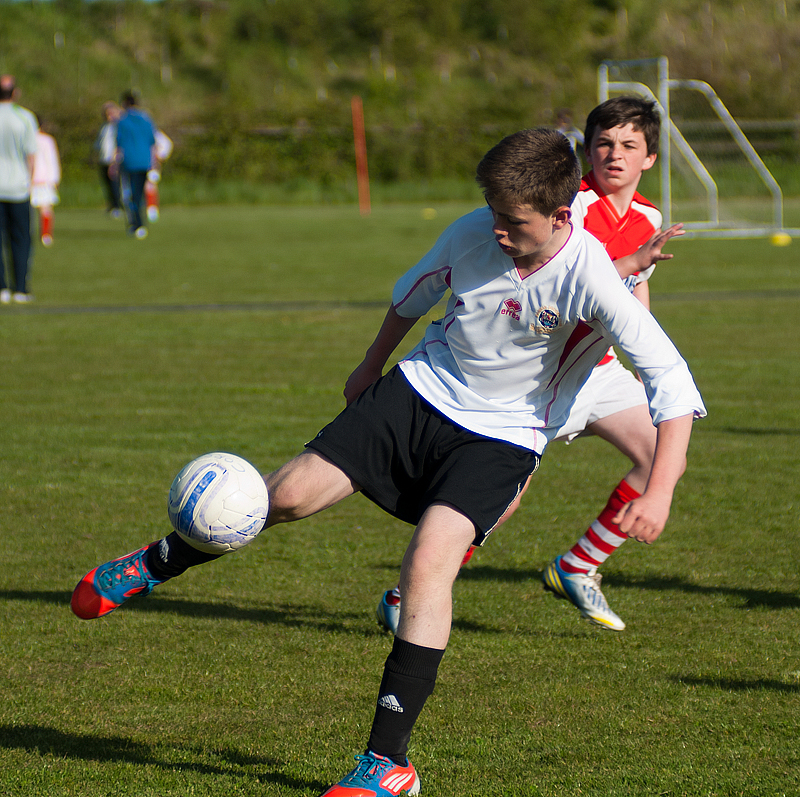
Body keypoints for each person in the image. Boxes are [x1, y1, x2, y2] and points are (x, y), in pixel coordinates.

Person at [70, 128, 705, 797]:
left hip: (506, 435)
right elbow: (413, 294)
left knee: (430, 561)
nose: (495, 231)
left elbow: (672, 381)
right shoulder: (472, 233)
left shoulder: (593, 276)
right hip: (422, 388)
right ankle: (152, 562)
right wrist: (370, 365)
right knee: (284, 495)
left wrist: (659, 490)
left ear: (559, 214)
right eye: (491, 214)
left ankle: (386, 762)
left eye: (511, 222)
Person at [376, 96, 686, 635]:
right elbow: (575, 280)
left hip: (602, 368)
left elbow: (633, 295)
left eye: (629, 146)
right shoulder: (568, 205)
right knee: (502, 498)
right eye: (604, 143)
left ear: (650, 160)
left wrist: (640, 355)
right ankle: (406, 595)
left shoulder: (648, 217)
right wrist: (631, 264)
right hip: (542, 369)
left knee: (661, 452)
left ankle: (578, 565)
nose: (614, 155)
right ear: (586, 151)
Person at [0, 74, 37, 304]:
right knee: (21, 238)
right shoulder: (24, 117)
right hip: (17, 187)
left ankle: (2, 288)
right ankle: (20, 288)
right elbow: (30, 154)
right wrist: (30, 182)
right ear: (15, 93)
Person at [113, 90, 156, 239]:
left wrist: (115, 162)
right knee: (139, 193)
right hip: (144, 160)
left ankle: (136, 224)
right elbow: (152, 141)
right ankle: (139, 223)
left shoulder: (123, 121)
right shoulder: (146, 119)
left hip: (129, 161)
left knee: (130, 194)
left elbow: (119, 143)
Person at [31, 113, 61, 248]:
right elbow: (52, 160)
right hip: (43, 180)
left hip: (31, 180)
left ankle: (39, 234)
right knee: (46, 209)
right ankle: (46, 235)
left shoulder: (27, 139)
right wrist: (54, 178)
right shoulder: (47, 140)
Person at [95, 101, 122, 218]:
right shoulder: (104, 127)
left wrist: (115, 157)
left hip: (115, 159)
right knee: (107, 184)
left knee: (115, 183)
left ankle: (118, 206)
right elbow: (99, 143)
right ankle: (111, 204)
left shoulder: (119, 126)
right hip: (104, 159)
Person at [144, 128, 173, 222]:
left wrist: (160, 155)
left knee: (150, 186)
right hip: (136, 164)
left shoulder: (153, 132)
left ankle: (152, 209)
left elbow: (167, 144)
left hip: (152, 164)